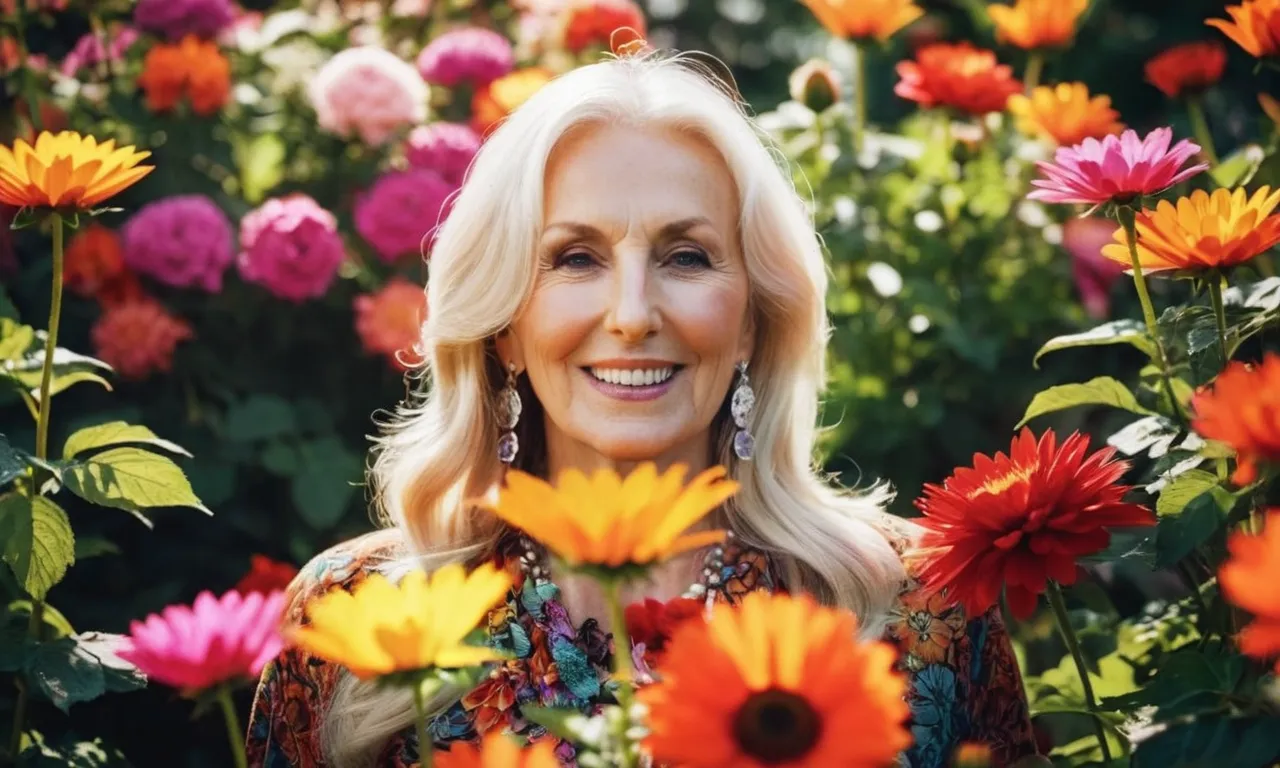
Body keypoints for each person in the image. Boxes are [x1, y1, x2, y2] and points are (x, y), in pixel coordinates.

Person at [245, 51, 1042, 768]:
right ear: (503, 330)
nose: (632, 313)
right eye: (575, 258)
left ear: (753, 320)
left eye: (686, 256)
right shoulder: (355, 614)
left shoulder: (913, 605)